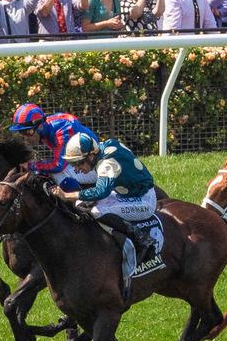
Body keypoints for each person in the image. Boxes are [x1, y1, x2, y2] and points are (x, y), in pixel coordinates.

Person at [51, 132, 157, 269]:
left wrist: (66, 196)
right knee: (82, 205)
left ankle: (142, 239)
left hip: (144, 201)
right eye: (73, 164)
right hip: (128, 193)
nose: (76, 169)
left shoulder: (106, 163)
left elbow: (101, 192)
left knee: (96, 211)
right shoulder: (103, 147)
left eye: (78, 163)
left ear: (90, 156)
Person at [9, 103, 98, 186]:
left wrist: (31, 165)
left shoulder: (62, 130)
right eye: (21, 133)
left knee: (57, 175)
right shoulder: (47, 127)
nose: (25, 138)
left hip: (95, 167)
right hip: (81, 161)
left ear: (40, 126)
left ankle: (80, 202)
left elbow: (58, 165)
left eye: (28, 132)